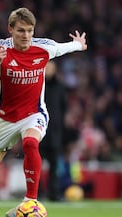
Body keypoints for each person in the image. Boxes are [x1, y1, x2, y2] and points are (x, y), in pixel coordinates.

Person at [0, 7, 87, 217]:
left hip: (34, 114)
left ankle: (29, 201)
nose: (26, 36)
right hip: (5, 119)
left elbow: (63, 48)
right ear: (10, 29)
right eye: (21, 31)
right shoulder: (1, 48)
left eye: (30, 31)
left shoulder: (43, 48)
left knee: (31, 143)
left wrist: (78, 44)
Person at [39, 60, 67, 201]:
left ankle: (54, 194)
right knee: (36, 163)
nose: (48, 70)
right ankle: (36, 194)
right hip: (38, 130)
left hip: (55, 133)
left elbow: (63, 109)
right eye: (46, 67)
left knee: (54, 165)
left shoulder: (60, 87)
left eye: (50, 67)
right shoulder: (36, 85)